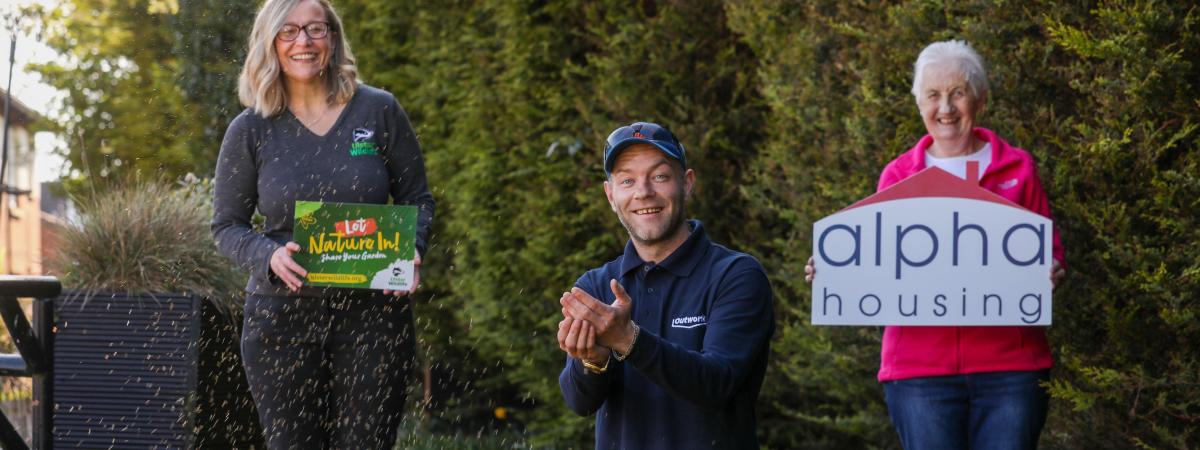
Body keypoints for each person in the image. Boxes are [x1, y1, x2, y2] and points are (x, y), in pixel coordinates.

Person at [806, 40, 1066, 450]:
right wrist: (835, 272)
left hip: (1010, 369)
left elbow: (1050, 250)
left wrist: (1050, 268)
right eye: (933, 95)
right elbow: (877, 263)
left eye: (958, 92)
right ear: (919, 103)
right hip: (918, 372)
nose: (945, 108)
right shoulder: (897, 175)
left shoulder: (1018, 169)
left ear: (978, 99)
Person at [211, 0, 434, 448]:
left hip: (375, 319)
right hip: (281, 321)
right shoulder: (251, 128)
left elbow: (417, 199)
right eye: (288, 31)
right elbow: (226, 226)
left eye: (315, 29)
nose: (303, 42)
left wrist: (413, 248)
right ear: (270, 43)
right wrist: (267, 255)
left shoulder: (379, 111)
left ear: (333, 37)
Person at [557, 121, 775, 449]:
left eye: (659, 176)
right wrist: (593, 359)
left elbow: (717, 384)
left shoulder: (736, 275)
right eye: (627, 180)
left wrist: (627, 339)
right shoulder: (596, 286)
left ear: (686, 184)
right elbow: (579, 402)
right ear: (611, 195)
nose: (643, 192)